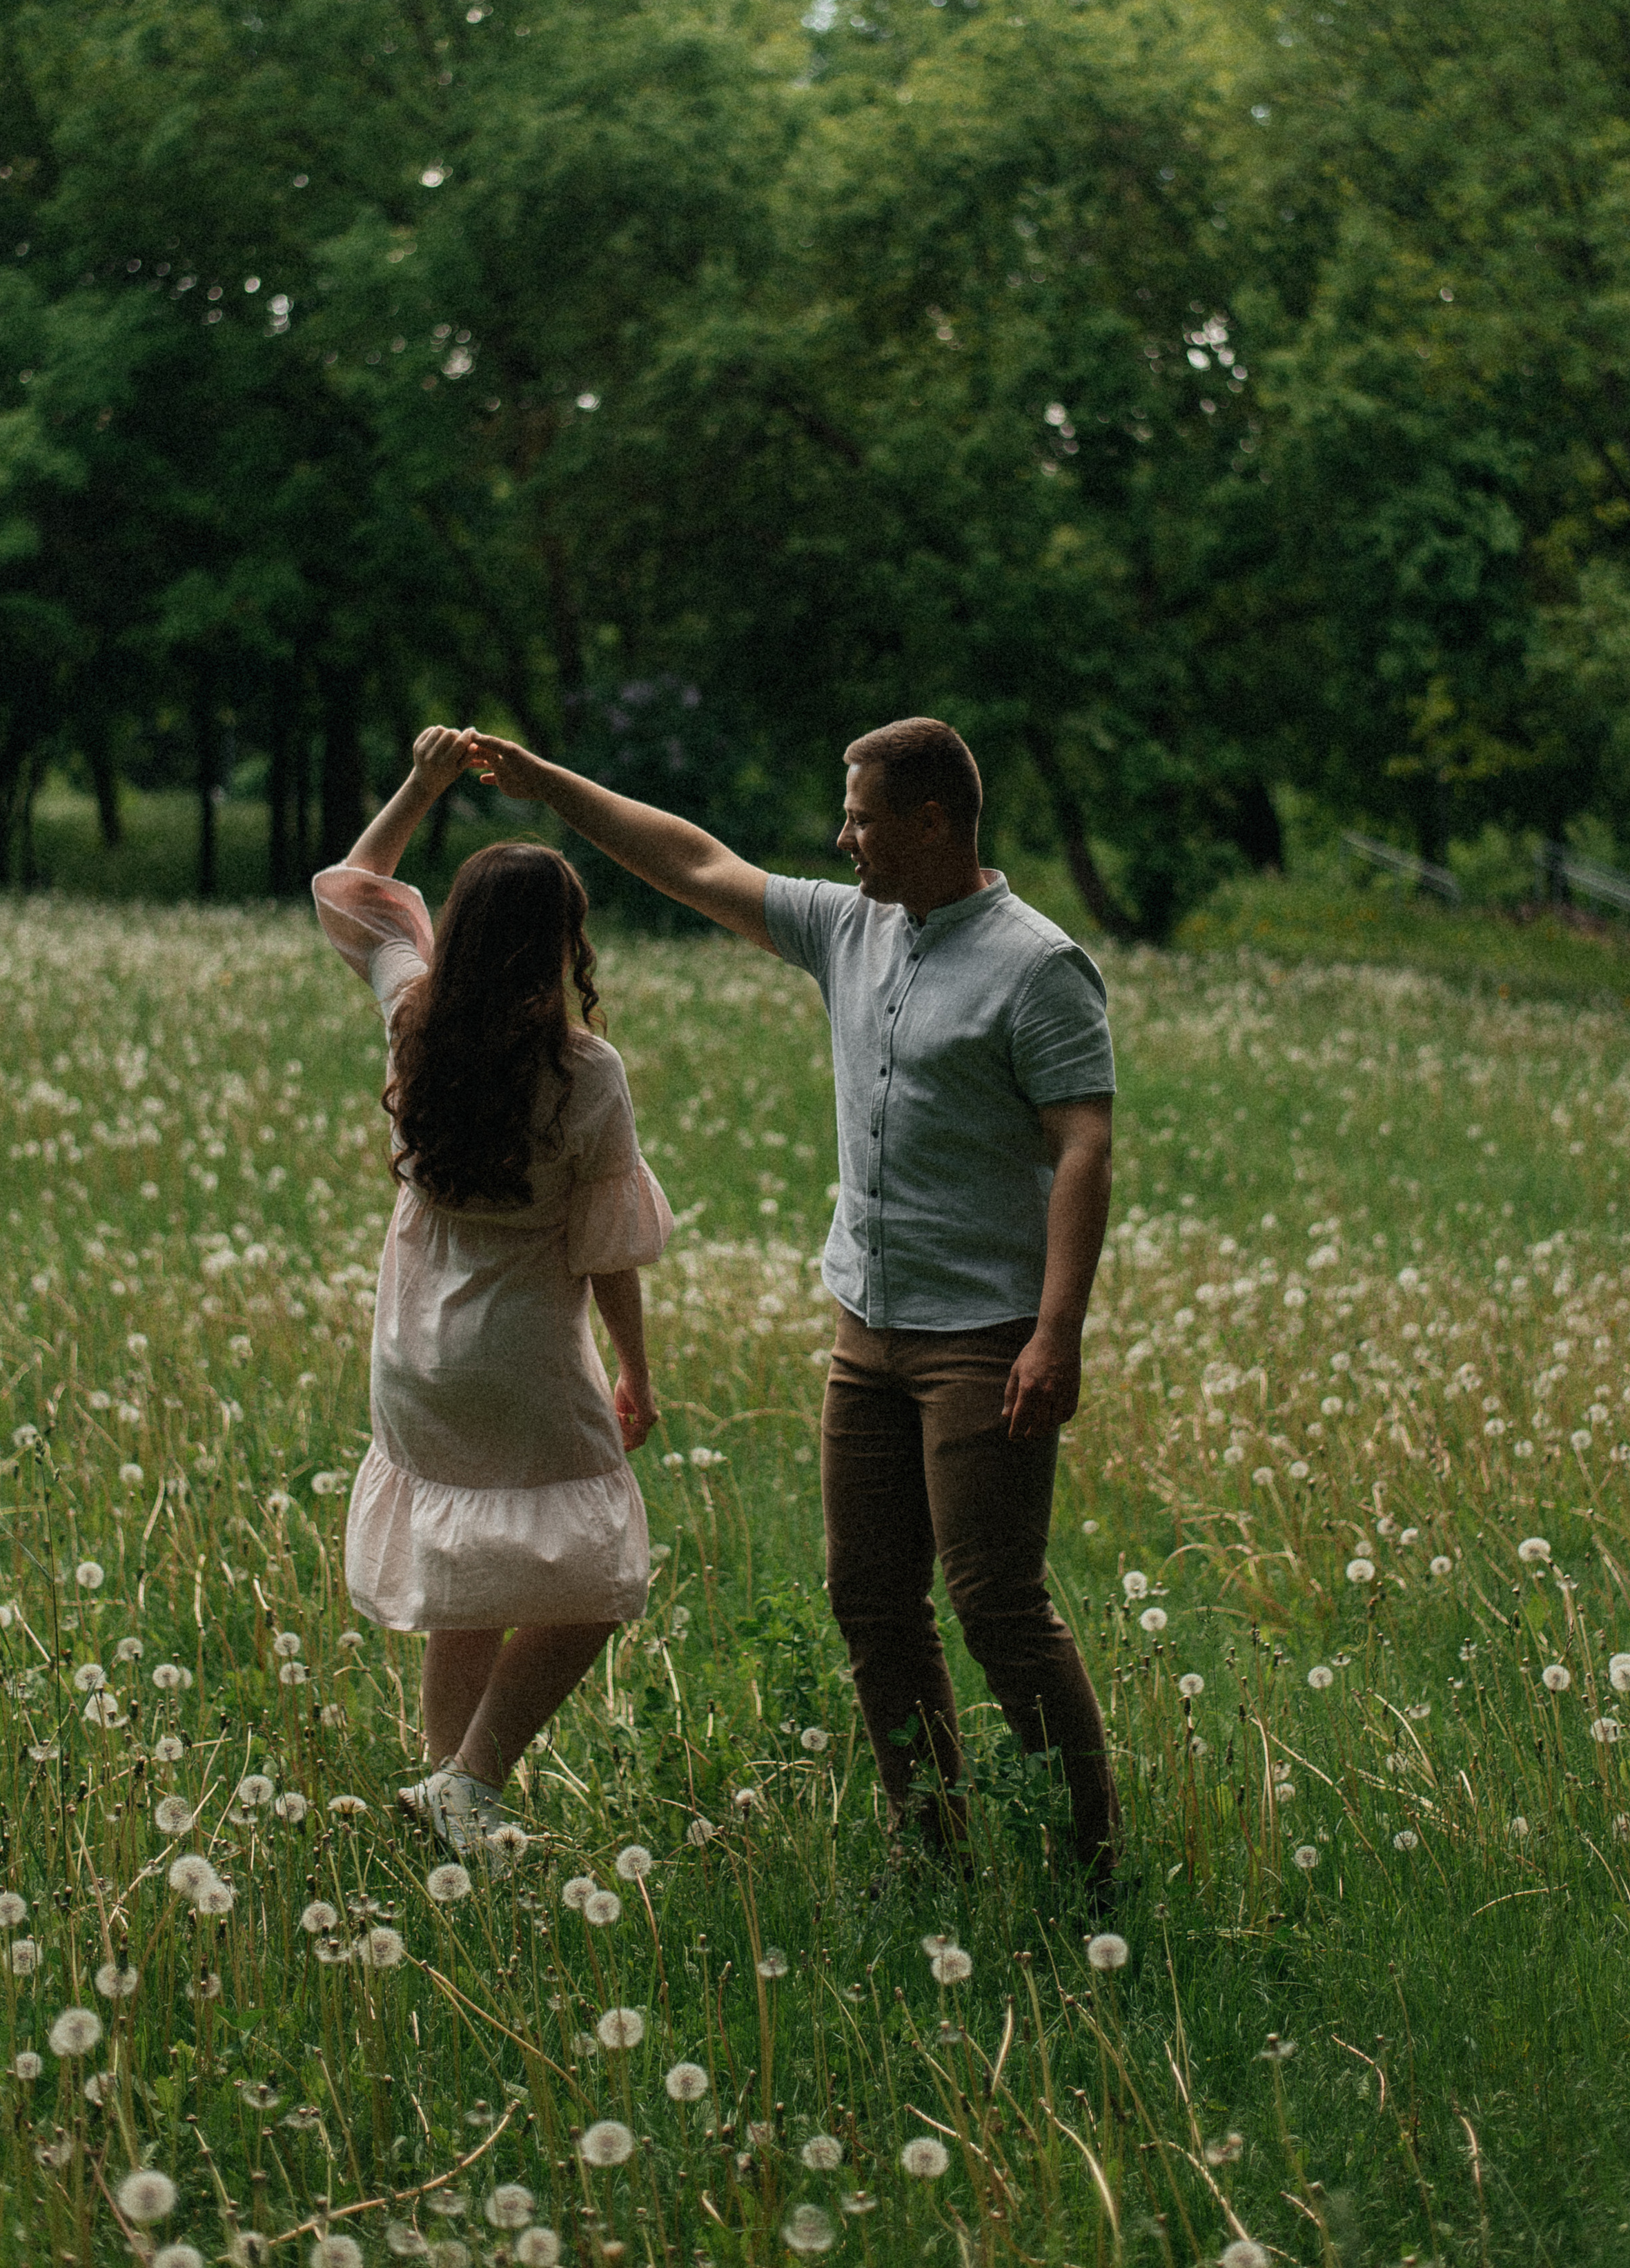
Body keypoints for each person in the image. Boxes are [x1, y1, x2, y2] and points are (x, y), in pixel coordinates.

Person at [469, 715, 1121, 1882]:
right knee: (871, 1598)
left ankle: (1087, 1860)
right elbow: (695, 861)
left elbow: (1084, 1145)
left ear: (931, 823)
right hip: (864, 1332)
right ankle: (934, 1848)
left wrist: (1055, 1335)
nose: (843, 837)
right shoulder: (850, 928)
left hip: (983, 1338)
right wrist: (539, 780)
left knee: (995, 1603)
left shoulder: (1038, 964)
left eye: (862, 817)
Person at [312, 725, 673, 1857]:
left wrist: (420, 781)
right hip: (518, 1344)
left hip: (411, 1342)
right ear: (562, 944)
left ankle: (446, 1804)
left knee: (463, 1562)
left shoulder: (412, 1014)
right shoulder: (585, 1070)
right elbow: (607, 1244)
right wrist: (637, 1367)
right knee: (600, 1573)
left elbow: (358, 890)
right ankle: (472, 1781)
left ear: (457, 933)